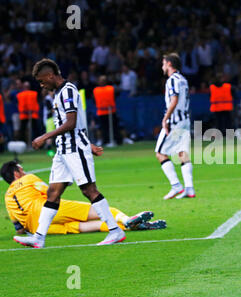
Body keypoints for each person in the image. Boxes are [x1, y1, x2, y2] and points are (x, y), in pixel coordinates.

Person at [12, 58, 126, 249]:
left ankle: (115, 231)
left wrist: (44, 137)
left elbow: (71, 123)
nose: (42, 85)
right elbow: (77, 125)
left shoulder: (68, 91)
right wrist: (89, 144)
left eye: (42, 81)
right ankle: (39, 237)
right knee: (53, 193)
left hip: (74, 149)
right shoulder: (57, 94)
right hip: (62, 150)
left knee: (89, 190)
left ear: (49, 75)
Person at [1, 161, 166, 236]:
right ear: (17, 173)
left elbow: (18, 227)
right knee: (106, 211)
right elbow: (52, 192)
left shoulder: (7, 196)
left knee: (86, 227)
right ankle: (127, 219)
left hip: (39, 228)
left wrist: (25, 231)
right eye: (21, 170)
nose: (23, 172)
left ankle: (135, 227)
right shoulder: (28, 179)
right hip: (47, 211)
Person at [155, 53, 195, 200]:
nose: (162, 66)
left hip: (175, 121)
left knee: (160, 153)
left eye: (163, 63)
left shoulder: (172, 80)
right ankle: (189, 189)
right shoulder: (183, 79)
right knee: (182, 153)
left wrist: (165, 119)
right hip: (185, 120)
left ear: (169, 64)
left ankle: (176, 186)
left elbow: (174, 100)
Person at [93, 75, 122, 146]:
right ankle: (107, 141)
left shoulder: (110, 88)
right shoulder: (96, 90)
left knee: (113, 127)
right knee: (105, 128)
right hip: (102, 112)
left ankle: (116, 140)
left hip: (111, 111)